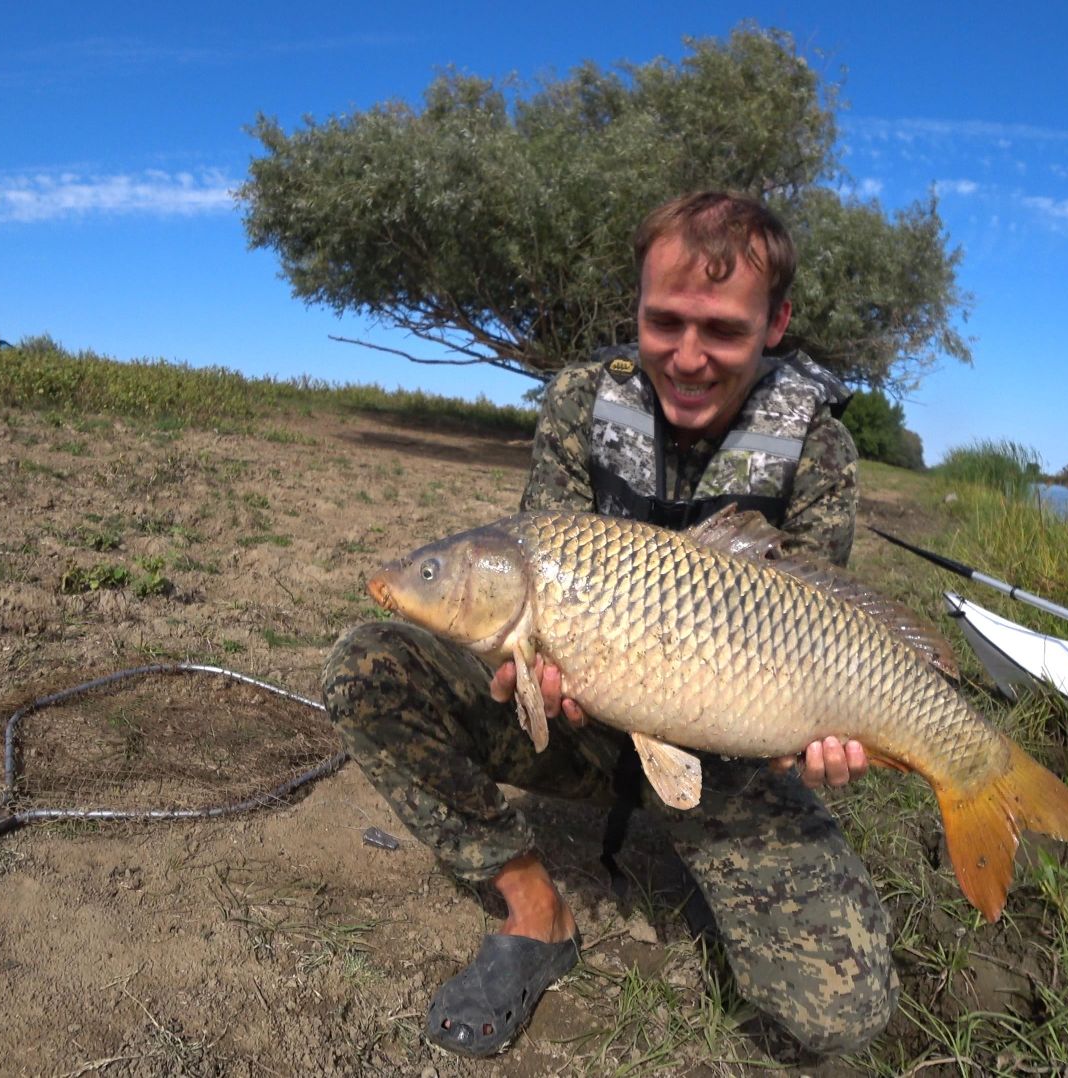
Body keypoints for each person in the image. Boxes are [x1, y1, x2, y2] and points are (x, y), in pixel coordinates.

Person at [321, 191, 896, 1059]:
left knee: (842, 1018)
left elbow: (815, 633)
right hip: (584, 723)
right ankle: (535, 911)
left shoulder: (816, 448)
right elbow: (535, 561)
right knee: (369, 666)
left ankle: (706, 858)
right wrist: (528, 669)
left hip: (735, 742)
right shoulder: (580, 403)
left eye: (724, 331)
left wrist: (823, 740)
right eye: (664, 322)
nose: (690, 356)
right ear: (634, 307)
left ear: (776, 324)